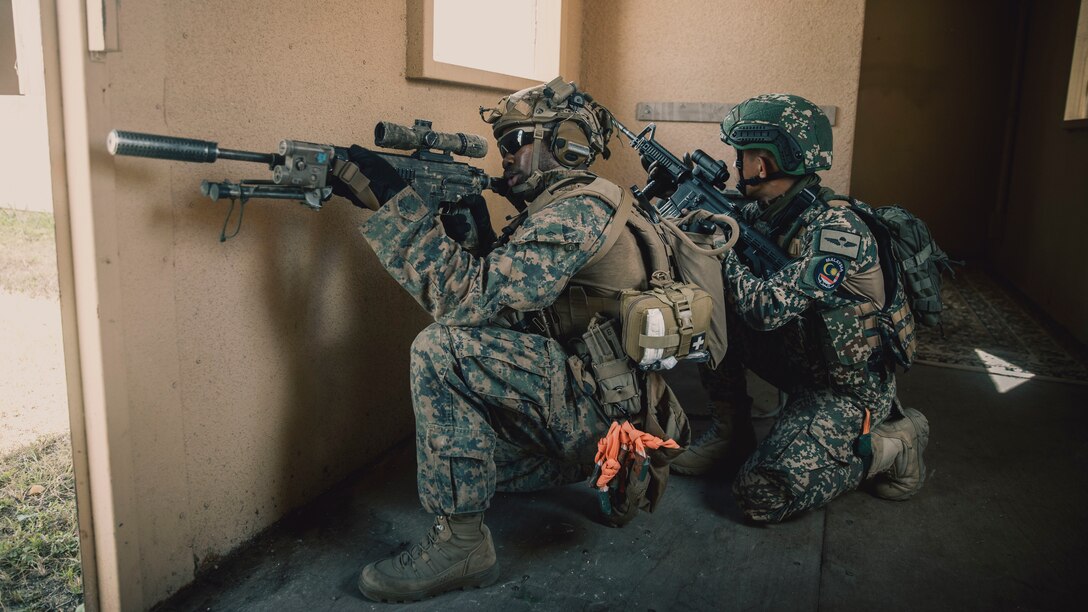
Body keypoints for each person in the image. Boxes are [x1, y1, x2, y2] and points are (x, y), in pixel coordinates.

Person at [329, 78, 689, 603]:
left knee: (440, 349)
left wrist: (392, 203)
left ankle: (464, 546)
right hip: (612, 402)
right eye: (504, 144)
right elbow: (517, 306)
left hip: (595, 414)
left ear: (564, 141)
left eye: (520, 139)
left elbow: (465, 301)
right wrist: (469, 227)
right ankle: (615, 467)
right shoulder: (590, 202)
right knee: (461, 455)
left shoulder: (575, 212)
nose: (509, 156)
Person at [670, 93, 930, 522]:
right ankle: (732, 433)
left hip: (844, 388)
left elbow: (765, 309)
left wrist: (721, 246)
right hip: (798, 360)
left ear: (764, 162)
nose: (737, 162)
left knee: (759, 494)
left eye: (743, 153)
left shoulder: (837, 231)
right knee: (707, 312)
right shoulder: (769, 212)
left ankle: (896, 441)